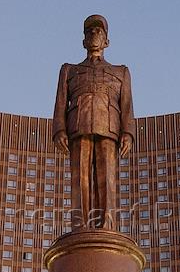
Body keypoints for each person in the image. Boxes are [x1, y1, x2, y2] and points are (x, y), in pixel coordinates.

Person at [52, 14, 135, 230]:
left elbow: (126, 105)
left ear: (106, 41)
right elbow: (60, 101)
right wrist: (59, 129)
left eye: (99, 31)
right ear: (83, 41)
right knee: (80, 178)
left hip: (109, 127)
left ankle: (106, 225)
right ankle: (80, 225)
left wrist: (128, 132)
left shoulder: (121, 72)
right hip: (78, 126)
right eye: (89, 31)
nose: (94, 34)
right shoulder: (69, 70)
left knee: (106, 178)